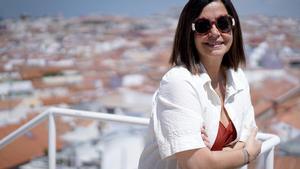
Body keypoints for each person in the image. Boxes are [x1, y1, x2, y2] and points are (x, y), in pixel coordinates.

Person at [138, 0, 262, 169]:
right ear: (189, 33)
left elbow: (249, 133)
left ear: (233, 27)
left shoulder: (237, 77)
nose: (214, 32)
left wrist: (213, 156)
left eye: (223, 23)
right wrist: (247, 154)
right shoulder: (178, 82)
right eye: (202, 26)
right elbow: (196, 164)